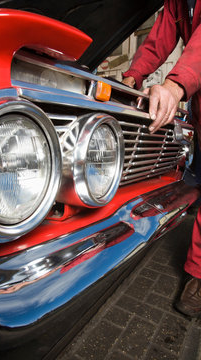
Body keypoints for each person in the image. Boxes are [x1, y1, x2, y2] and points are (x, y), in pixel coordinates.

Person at [122, 0, 201, 317]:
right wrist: (132, 77)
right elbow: (158, 40)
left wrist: (175, 84)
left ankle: (198, 275)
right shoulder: (177, 2)